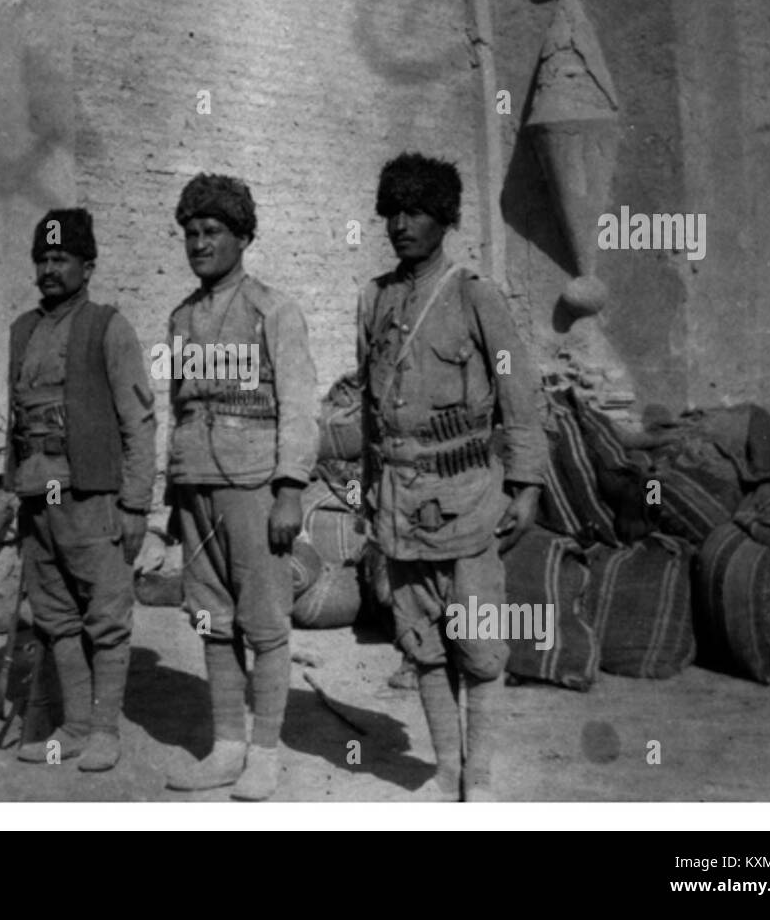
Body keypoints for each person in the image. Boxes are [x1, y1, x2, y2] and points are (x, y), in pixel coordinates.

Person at [358, 153, 547, 801]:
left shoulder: (475, 296)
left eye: (416, 212)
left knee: (479, 645)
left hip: (467, 502)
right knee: (422, 642)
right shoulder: (375, 301)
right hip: (401, 506)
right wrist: (367, 489)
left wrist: (526, 484)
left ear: (445, 219)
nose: (402, 225)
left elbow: (519, 392)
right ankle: (446, 772)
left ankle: (483, 782)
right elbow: (368, 410)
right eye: (393, 213)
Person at [163, 173, 318, 802]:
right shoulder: (179, 317)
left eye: (213, 232)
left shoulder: (272, 310)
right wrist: (168, 500)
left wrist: (290, 489)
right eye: (191, 233)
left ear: (243, 237)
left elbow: (300, 405)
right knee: (210, 619)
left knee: (264, 621)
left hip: (254, 482)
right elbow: (177, 409)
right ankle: (226, 746)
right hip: (194, 483)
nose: (200, 243)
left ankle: (264, 754)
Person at [4, 207, 156, 772]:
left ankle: (105, 731)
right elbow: (16, 419)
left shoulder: (108, 327)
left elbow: (138, 420)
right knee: (54, 616)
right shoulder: (22, 330)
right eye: (41, 259)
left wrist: (137, 502)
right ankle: (72, 726)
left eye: (60, 258)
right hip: (35, 495)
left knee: (107, 616)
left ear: (87, 265)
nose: (49, 269)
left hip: (91, 497)